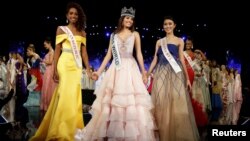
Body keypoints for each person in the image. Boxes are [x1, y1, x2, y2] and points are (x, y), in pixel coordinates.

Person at [78, 7, 156, 141]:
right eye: (127, 18)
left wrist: (144, 72)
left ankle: (131, 134)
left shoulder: (135, 34)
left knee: (131, 101)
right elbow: (109, 54)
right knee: (112, 100)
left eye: (131, 19)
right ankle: (112, 132)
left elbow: (139, 54)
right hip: (116, 69)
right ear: (122, 19)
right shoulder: (114, 35)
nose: (129, 20)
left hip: (130, 68)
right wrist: (99, 71)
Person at [30, 2, 91, 141]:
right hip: (64, 63)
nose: (73, 16)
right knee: (64, 92)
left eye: (76, 14)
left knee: (73, 94)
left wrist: (88, 69)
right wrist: (55, 68)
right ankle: (61, 129)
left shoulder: (82, 32)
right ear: (67, 15)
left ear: (79, 16)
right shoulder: (61, 29)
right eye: (71, 13)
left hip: (76, 65)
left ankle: (72, 127)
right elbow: (57, 50)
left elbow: (84, 53)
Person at [147, 16, 200, 141]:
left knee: (175, 102)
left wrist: (187, 78)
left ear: (174, 25)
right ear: (163, 26)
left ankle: (173, 132)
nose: (167, 26)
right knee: (160, 101)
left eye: (170, 24)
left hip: (175, 73)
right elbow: (155, 58)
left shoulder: (179, 41)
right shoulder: (159, 42)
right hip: (161, 72)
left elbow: (181, 59)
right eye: (165, 24)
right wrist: (148, 72)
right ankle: (161, 130)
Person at [40, 37, 57, 111]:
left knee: (48, 87)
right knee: (46, 87)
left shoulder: (52, 52)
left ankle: (49, 105)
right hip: (48, 70)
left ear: (49, 43)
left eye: (45, 44)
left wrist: (42, 60)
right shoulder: (50, 52)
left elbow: (50, 62)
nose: (45, 46)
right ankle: (46, 105)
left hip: (50, 70)